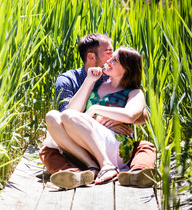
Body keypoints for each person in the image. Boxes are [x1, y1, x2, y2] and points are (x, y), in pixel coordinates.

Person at [39, 34, 156, 189]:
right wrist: (89, 81)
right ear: (91, 56)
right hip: (85, 138)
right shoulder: (84, 81)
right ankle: (89, 168)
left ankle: (126, 168)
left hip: (110, 140)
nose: (109, 60)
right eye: (108, 54)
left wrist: (97, 111)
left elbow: (138, 114)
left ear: (126, 68)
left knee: (144, 146)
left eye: (114, 58)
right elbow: (69, 114)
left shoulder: (132, 91)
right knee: (52, 117)